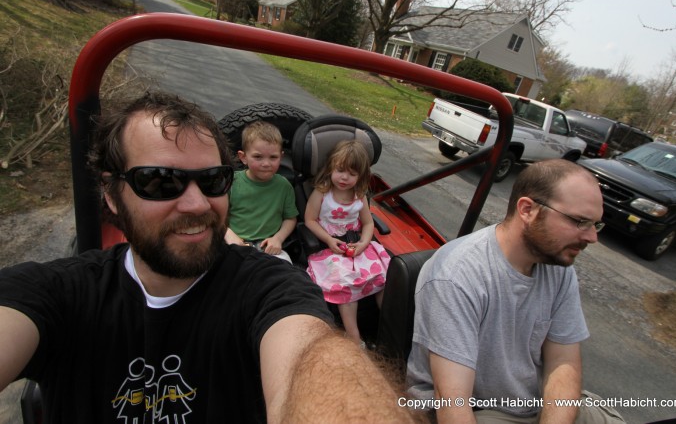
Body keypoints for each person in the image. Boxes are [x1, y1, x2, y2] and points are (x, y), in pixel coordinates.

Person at [0, 92, 414, 423]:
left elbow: (309, 357)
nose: (197, 204)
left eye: (213, 180)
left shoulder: (269, 288)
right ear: (110, 193)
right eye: (161, 181)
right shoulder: (56, 293)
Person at [406, 159, 625, 424]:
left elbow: (562, 362)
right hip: (478, 410)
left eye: (595, 225)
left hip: (535, 403)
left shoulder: (558, 266)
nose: (592, 237)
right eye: (580, 222)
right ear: (528, 209)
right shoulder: (456, 275)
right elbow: (453, 403)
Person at [305, 140, 390, 346]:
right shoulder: (322, 193)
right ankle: (354, 337)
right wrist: (328, 239)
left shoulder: (359, 196)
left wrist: (363, 242)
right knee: (345, 283)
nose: (344, 177)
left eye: (352, 174)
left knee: (383, 275)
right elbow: (309, 220)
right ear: (331, 168)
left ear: (360, 176)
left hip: (358, 245)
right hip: (331, 247)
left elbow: (368, 223)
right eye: (340, 170)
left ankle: (389, 328)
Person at [224, 121, 297, 263]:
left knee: (287, 270)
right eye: (258, 157)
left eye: (273, 157)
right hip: (234, 242)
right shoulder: (232, 183)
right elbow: (216, 216)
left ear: (281, 157)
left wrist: (278, 238)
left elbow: (290, 218)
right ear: (243, 157)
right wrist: (228, 234)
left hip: (268, 247)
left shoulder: (284, 186)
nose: (266, 163)